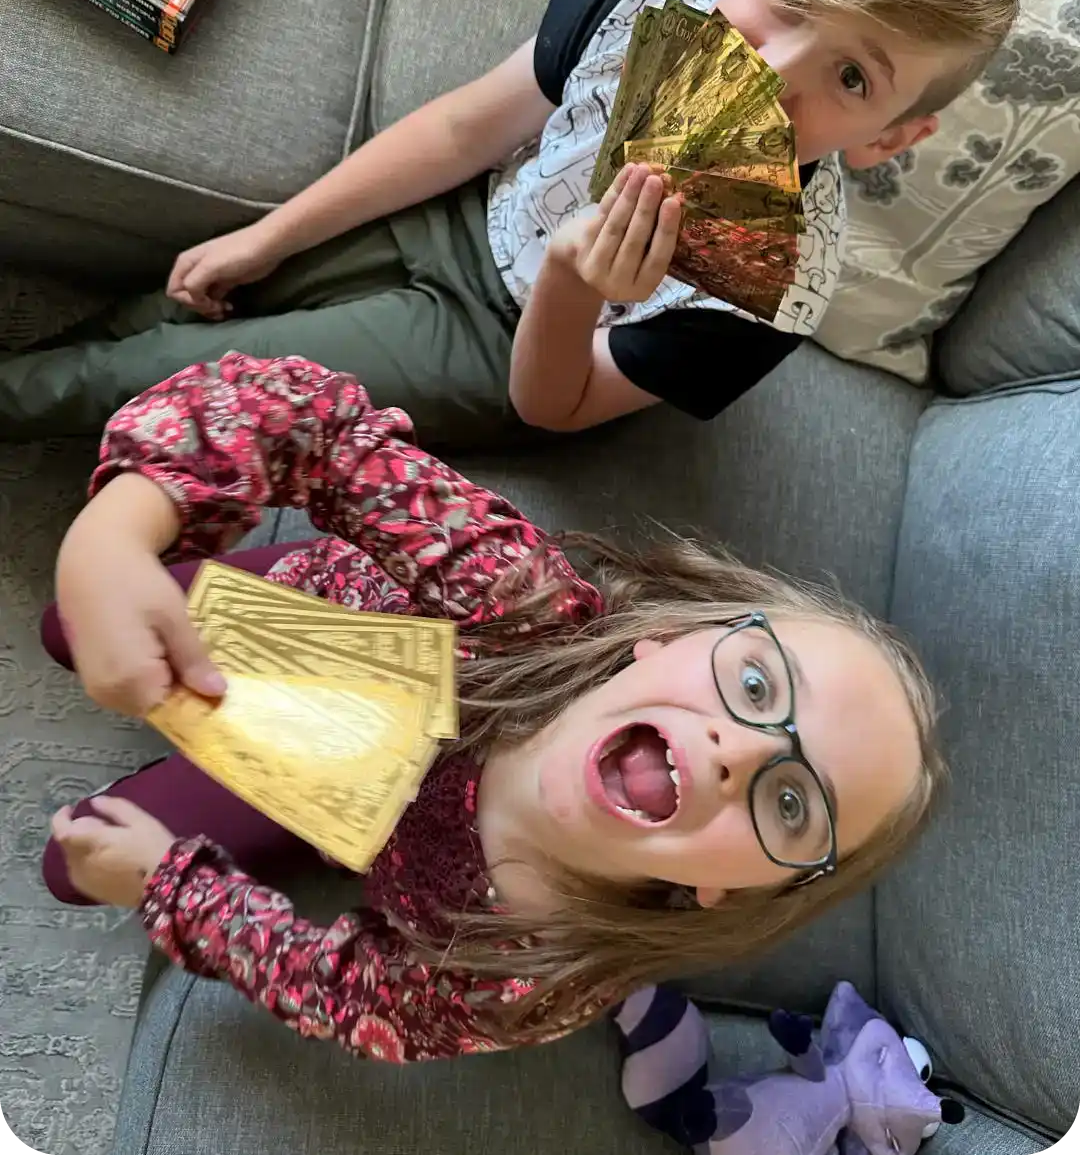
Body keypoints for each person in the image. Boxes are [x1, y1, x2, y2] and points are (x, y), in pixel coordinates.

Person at [40, 352, 944, 1061]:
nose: (738, 753)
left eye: (792, 805)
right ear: (665, 639)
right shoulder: (516, 598)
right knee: (70, 619)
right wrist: (118, 531)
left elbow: (351, 999)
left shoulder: (539, 976)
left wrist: (173, 887)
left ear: (736, 891)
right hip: (302, 613)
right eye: (755, 684)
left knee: (69, 860)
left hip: (310, 798)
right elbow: (308, 422)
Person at [0, 0, 1023, 444]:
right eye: (784, 2)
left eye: (852, 78)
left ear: (893, 137)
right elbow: (463, 129)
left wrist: (581, 282)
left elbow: (555, 406)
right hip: (466, 212)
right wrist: (269, 236)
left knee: (192, 380)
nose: (776, 70)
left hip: (512, 348)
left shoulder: (777, 286)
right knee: (193, 289)